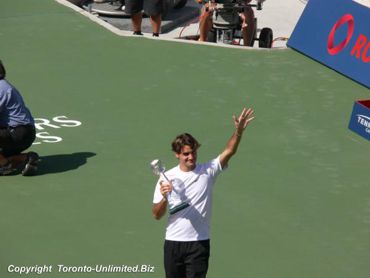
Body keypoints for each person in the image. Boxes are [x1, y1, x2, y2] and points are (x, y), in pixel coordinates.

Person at [152, 107, 254, 278]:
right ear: (177, 154)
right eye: (186, 154)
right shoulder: (166, 177)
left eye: (193, 152)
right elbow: (156, 214)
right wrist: (164, 197)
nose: (191, 157)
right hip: (173, 243)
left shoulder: (208, 171)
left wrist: (238, 132)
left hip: (199, 244)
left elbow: (229, 151)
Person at [0, 60, 39, 176]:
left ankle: (4, 164)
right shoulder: (4, 86)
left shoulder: (1, 88)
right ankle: (27, 158)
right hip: (24, 134)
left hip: (17, 133)